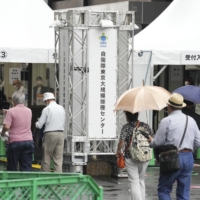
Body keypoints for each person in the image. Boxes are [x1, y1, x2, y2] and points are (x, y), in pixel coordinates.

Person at [148, 93, 200, 200]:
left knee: (164, 190)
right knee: (184, 193)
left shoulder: (166, 121)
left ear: (169, 106)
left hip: (170, 158)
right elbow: (198, 142)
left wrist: (151, 142)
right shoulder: (191, 120)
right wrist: (187, 149)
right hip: (188, 157)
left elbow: (158, 142)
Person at [116, 111, 154, 200]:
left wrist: (118, 150)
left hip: (131, 157)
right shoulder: (146, 126)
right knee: (141, 180)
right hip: (145, 157)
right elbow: (152, 139)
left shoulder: (126, 127)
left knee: (134, 181)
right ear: (137, 115)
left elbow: (122, 142)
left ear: (127, 117)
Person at [0, 91, 34, 171]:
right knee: (26, 168)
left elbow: (7, 126)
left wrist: (3, 133)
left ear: (13, 100)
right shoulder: (29, 111)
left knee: (12, 168)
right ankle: (26, 183)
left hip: (15, 142)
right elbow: (21, 116)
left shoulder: (11, 111)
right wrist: (9, 112)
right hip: (28, 141)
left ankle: (13, 183)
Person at [35, 92, 66, 172]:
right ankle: (58, 181)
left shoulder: (47, 109)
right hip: (60, 134)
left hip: (50, 135)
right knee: (58, 159)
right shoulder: (61, 108)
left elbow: (39, 125)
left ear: (47, 101)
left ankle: (45, 181)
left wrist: (36, 123)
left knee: (46, 158)